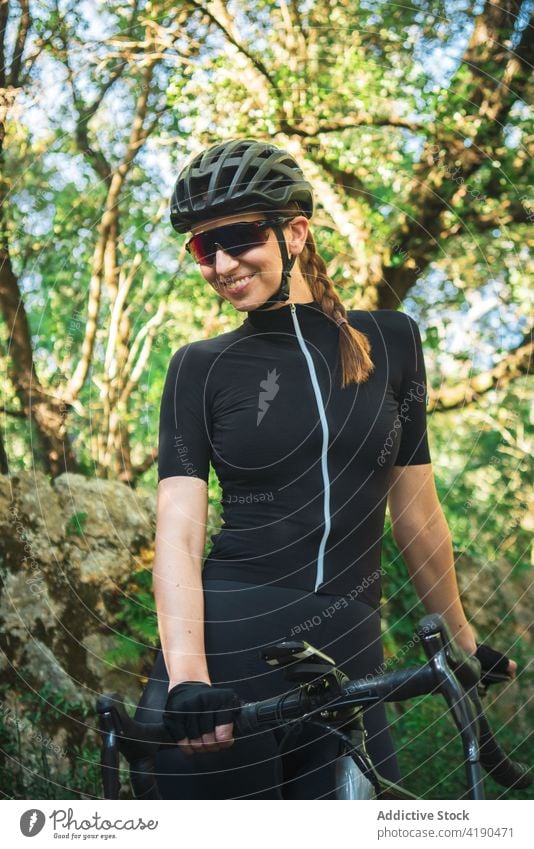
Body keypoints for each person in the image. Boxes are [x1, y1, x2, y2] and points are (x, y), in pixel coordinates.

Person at [135, 138, 517, 799]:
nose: (222, 263)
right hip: (228, 653)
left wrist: (462, 641)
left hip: (351, 655)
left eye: (237, 238)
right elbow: (179, 529)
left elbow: (420, 518)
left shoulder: (393, 340)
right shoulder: (198, 367)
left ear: (296, 231)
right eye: (203, 248)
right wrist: (189, 676)